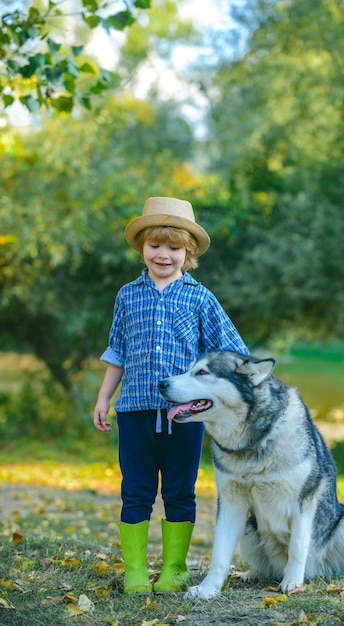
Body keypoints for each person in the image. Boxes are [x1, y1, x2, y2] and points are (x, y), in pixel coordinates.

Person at [93, 196, 248, 595]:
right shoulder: (128, 295)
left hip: (186, 415)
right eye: (155, 246)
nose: (164, 255)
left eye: (174, 248)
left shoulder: (200, 298)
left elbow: (232, 352)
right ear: (142, 248)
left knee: (180, 489)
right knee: (136, 490)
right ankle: (136, 572)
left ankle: (175, 569)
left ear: (188, 252)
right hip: (134, 412)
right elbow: (118, 353)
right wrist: (103, 399)